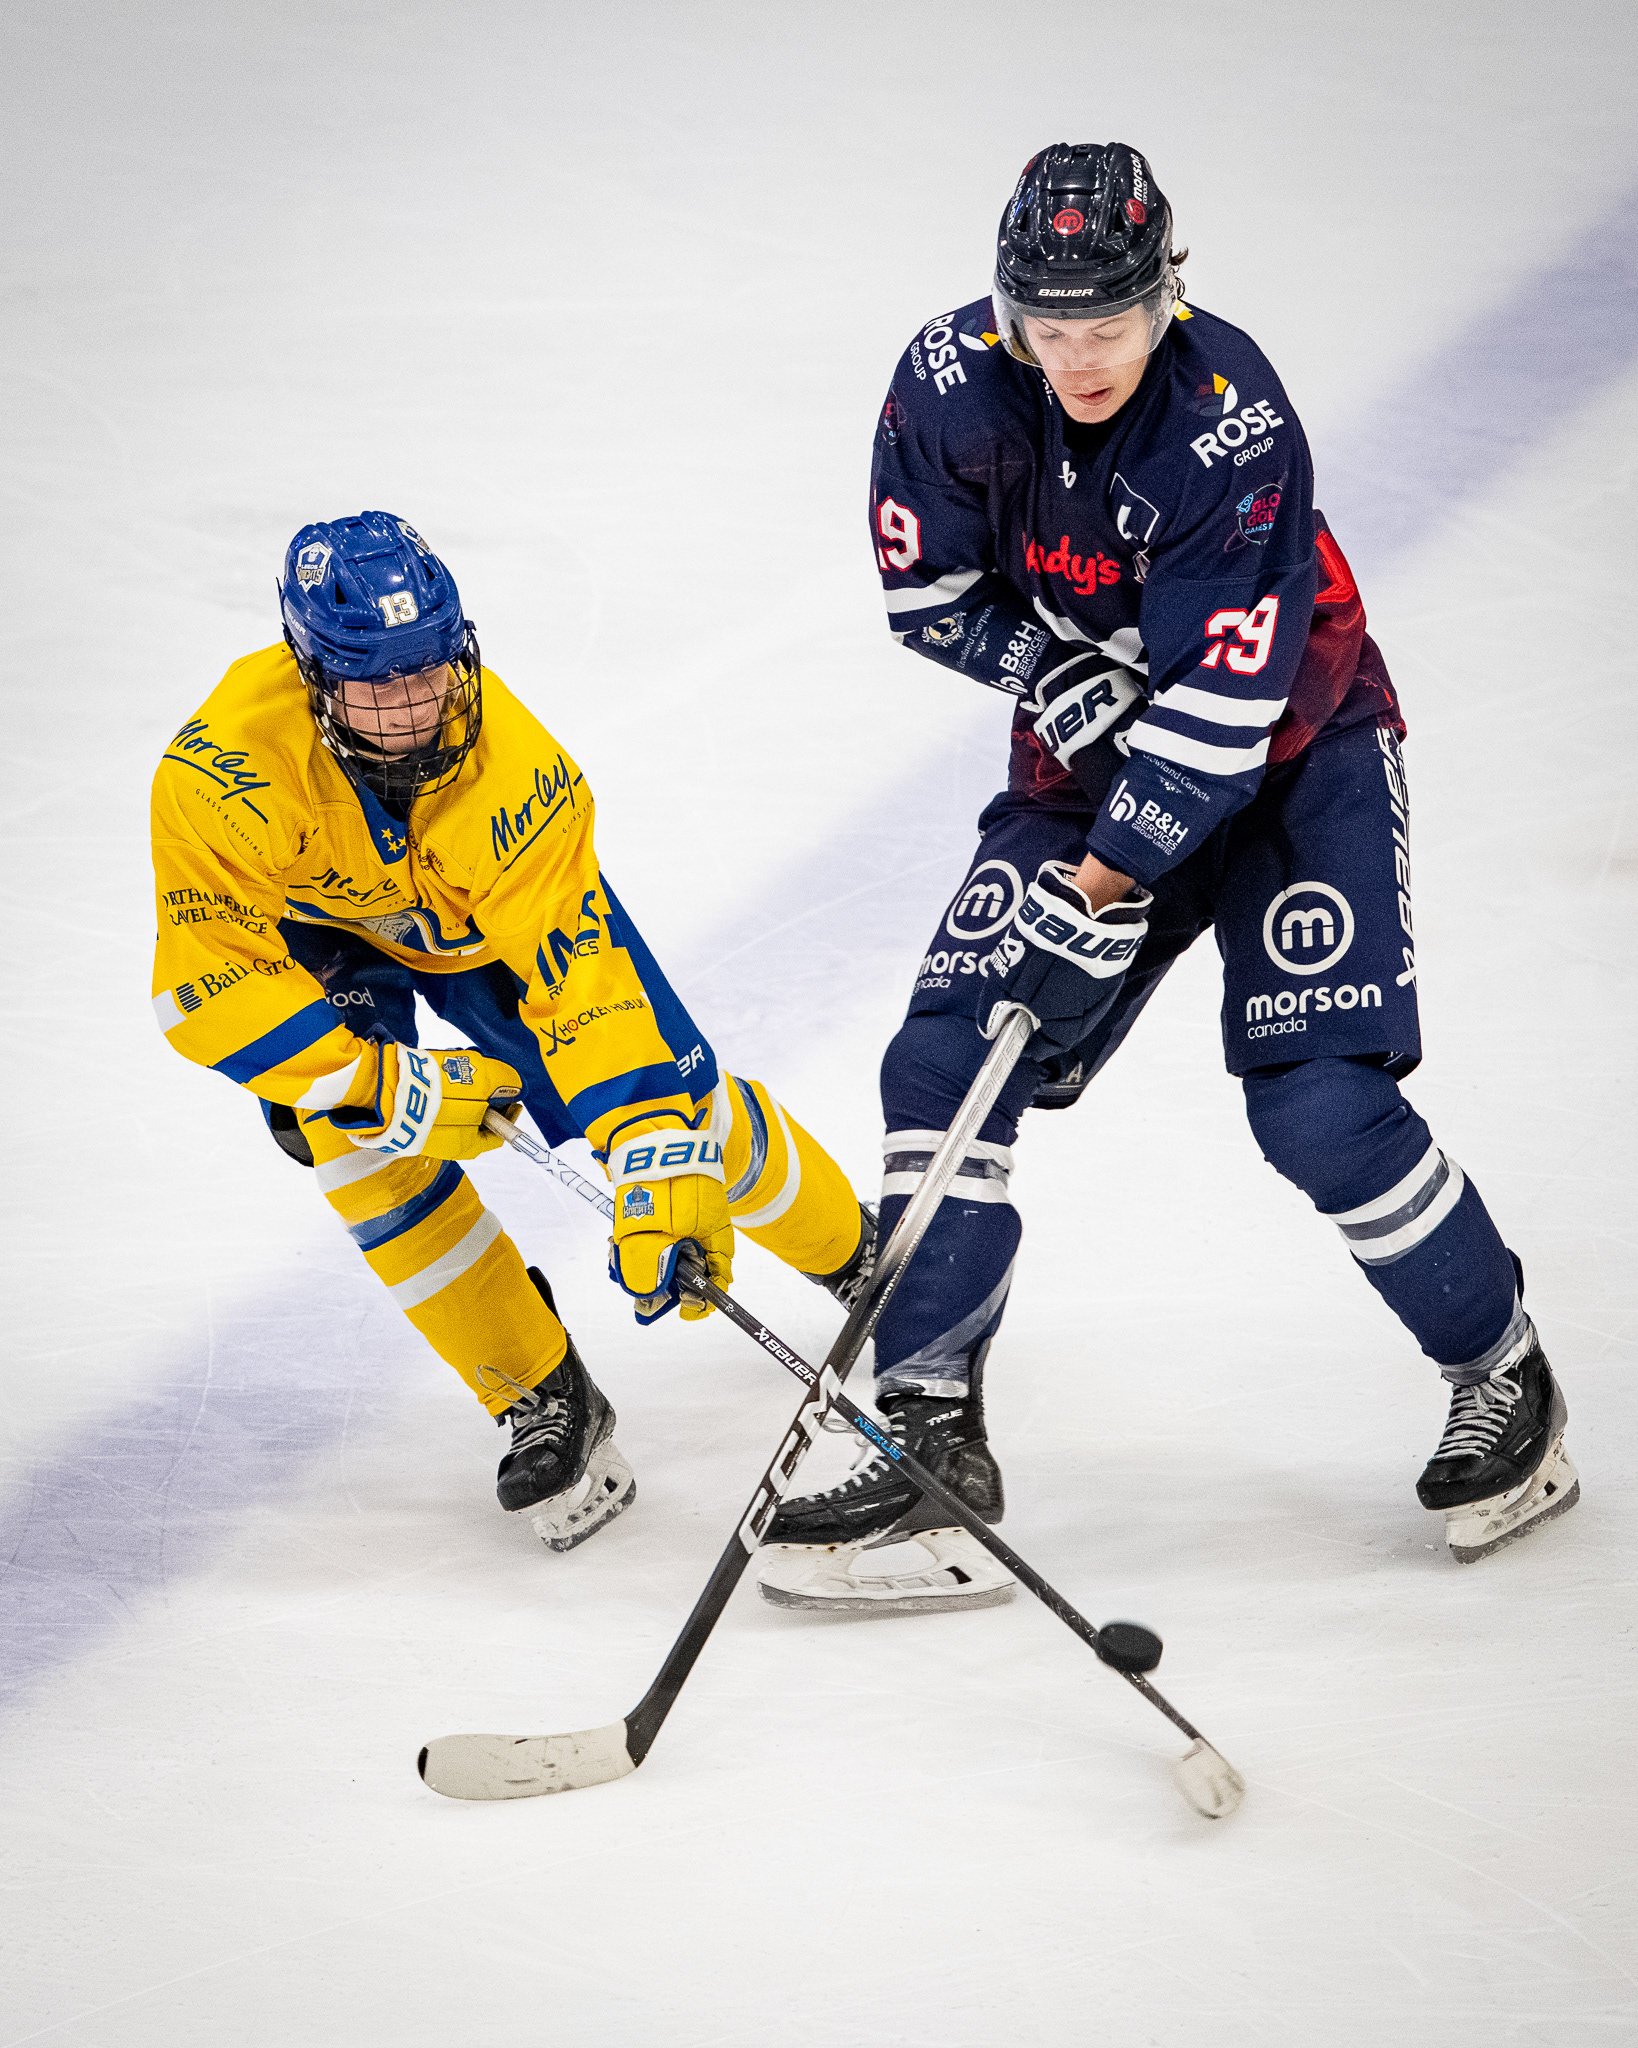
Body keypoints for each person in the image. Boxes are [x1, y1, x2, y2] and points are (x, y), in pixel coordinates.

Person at [758, 142, 1577, 1612]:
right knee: (945, 1057)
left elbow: (1218, 714)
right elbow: (927, 594)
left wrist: (1100, 887)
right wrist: (1048, 669)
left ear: (1167, 296)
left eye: (1112, 324)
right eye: (1047, 326)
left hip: (1295, 751)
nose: (1078, 357)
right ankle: (933, 1444)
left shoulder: (1228, 415)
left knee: (1317, 1104)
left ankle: (1503, 1376)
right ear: (1005, 306)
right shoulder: (947, 381)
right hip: (1086, 759)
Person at [151, 511, 873, 1552]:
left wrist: (650, 1138)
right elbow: (206, 979)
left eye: (429, 670)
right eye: (376, 683)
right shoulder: (220, 775)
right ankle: (539, 1388)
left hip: (485, 931)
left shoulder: (516, 769)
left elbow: (580, 977)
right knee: (354, 1142)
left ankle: (860, 1255)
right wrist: (370, 1081)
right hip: (322, 936)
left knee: (686, 1114)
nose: (415, 706)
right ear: (313, 677)